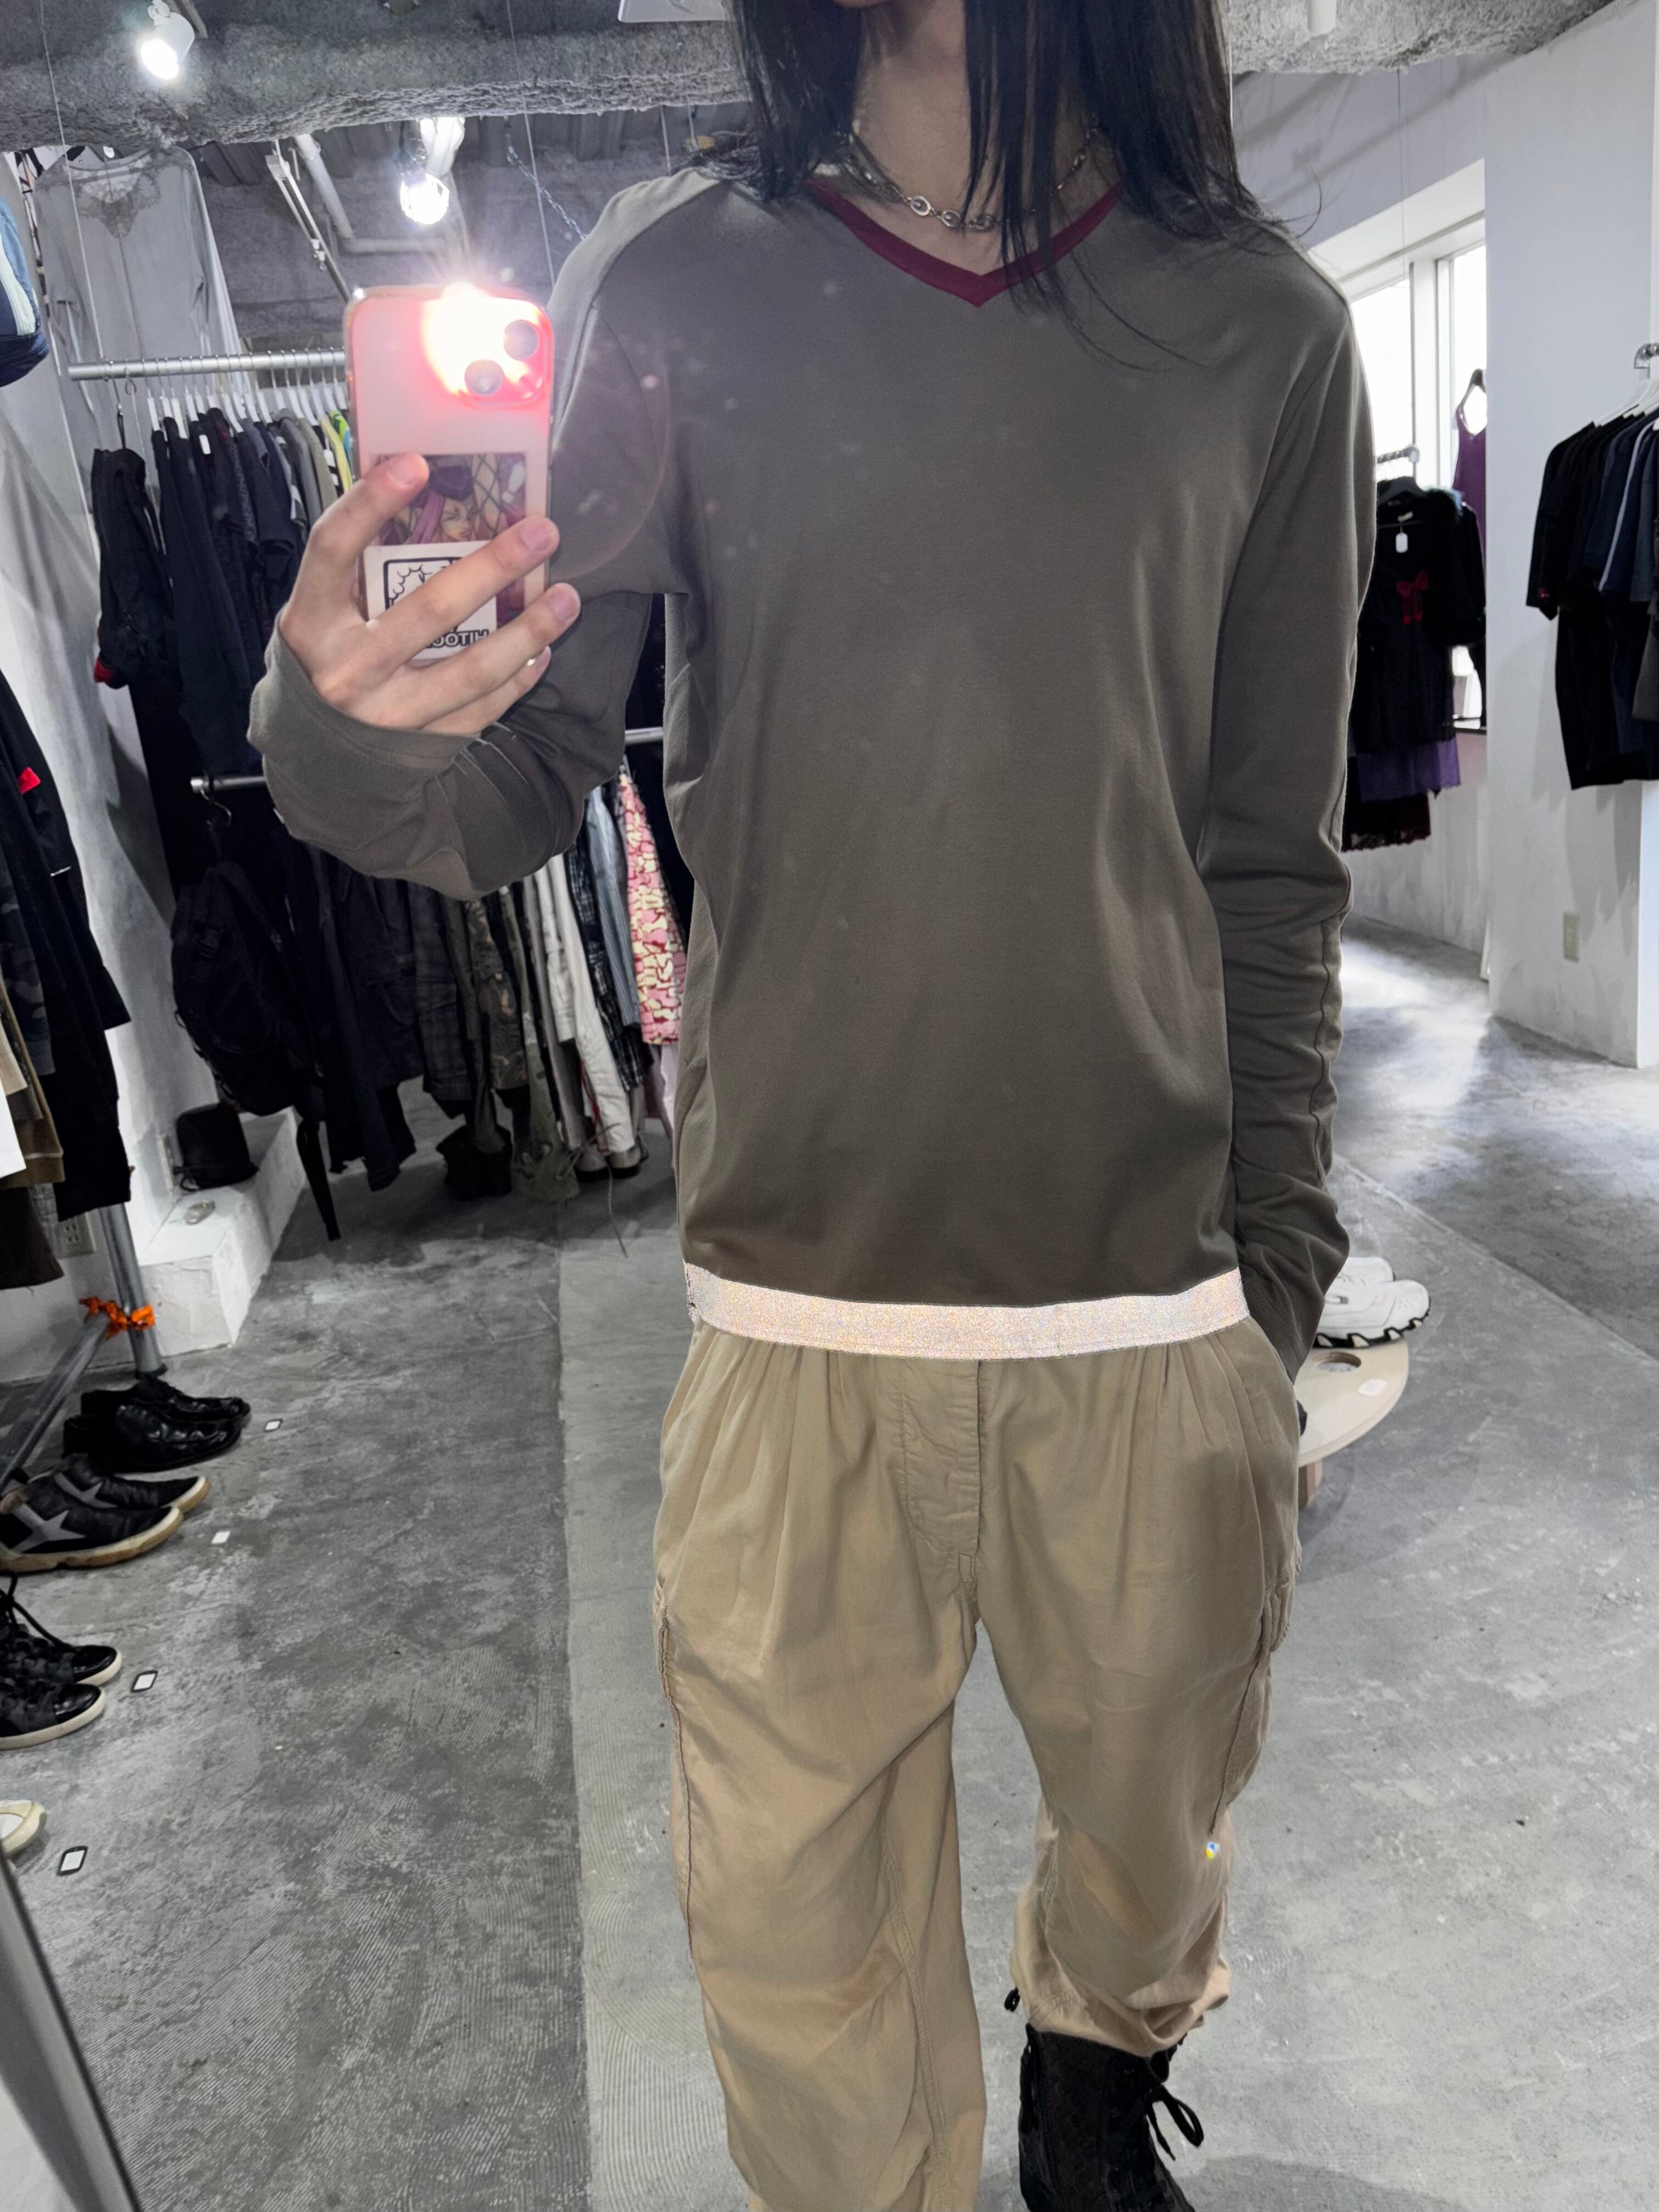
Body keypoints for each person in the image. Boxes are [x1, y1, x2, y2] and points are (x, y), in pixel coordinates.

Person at [252, 0, 1373, 2203]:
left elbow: (1269, 858)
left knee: (1150, 1845)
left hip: (1150, 1304)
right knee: (798, 1977)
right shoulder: (676, 284)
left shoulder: (1262, 326)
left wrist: (1270, 1279)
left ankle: (1086, 2099)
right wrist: (338, 722)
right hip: (795, 1318)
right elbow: (514, 788)